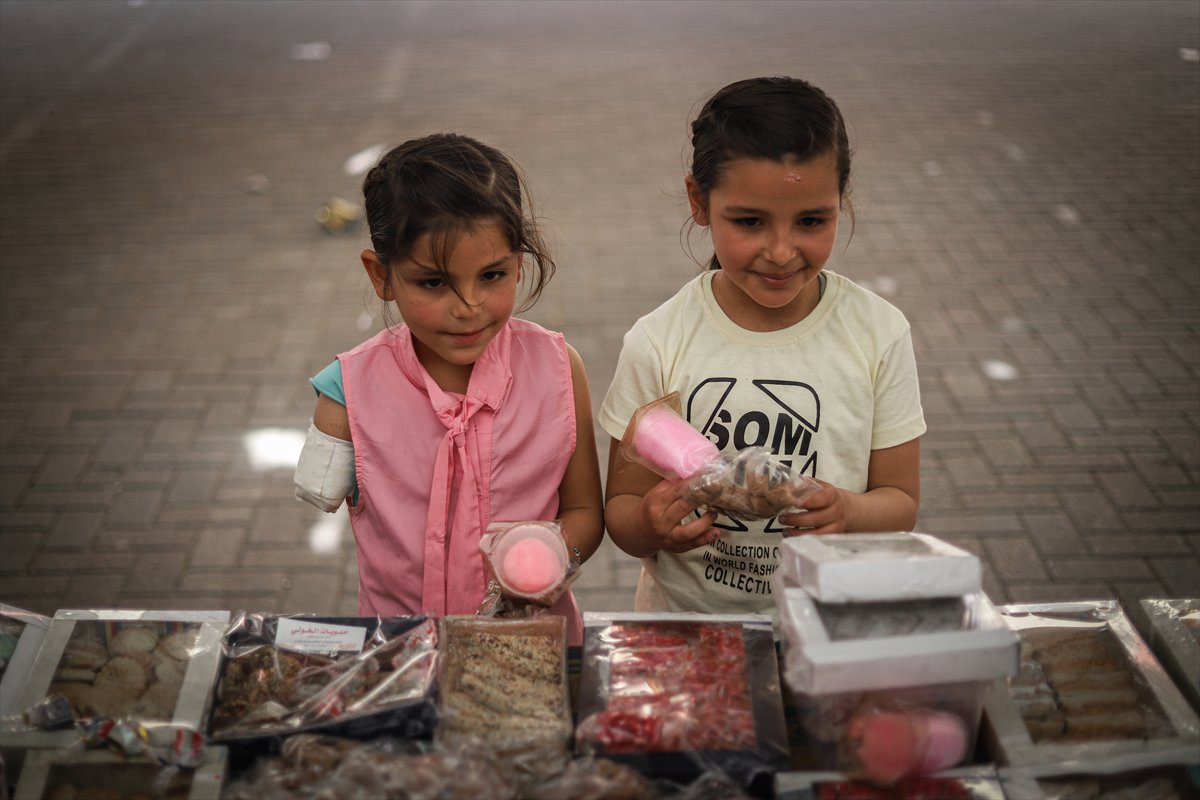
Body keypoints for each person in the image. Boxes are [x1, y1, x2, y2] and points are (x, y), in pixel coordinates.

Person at [598, 77, 926, 615]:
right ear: (699, 203)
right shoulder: (658, 341)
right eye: (749, 222)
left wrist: (846, 509)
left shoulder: (878, 334)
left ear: (841, 203)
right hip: (686, 627)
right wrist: (649, 526)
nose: (780, 251)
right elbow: (623, 511)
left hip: (827, 624)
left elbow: (901, 501)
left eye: (812, 221)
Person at [294, 133, 604, 642]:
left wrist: (542, 556)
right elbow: (318, 489)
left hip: (531, 648)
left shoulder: (558, 369)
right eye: (434, 282)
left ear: (519, 264)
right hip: (399, 654)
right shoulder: (350, 393)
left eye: (492, 275)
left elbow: (585, 512)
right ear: (382, 276)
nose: (468, 306)